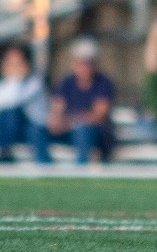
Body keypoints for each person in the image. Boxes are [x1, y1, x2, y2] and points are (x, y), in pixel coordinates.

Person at [47, 36, 117, 164]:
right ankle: (43, 169)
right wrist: (58, 121)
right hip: (69, 130)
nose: (84, 67)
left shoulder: (103, 84)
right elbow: (56, 111)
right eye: (81, 62)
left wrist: (70, 122)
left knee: (83, 130)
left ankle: (81, 170)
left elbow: (98, 116)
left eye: (88, 62)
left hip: (95, 134)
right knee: (37, 130)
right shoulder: (66, 83)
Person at [0, 44, 51, 164]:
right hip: (13, 129)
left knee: (12, 114)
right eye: (11, 63)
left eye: (18, 63)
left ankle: (5, 152)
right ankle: (4, 151)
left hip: (34, 128)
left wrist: (16, 79)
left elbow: (15, 100)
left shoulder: (35, 82)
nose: (14, 68)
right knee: (7, 115)